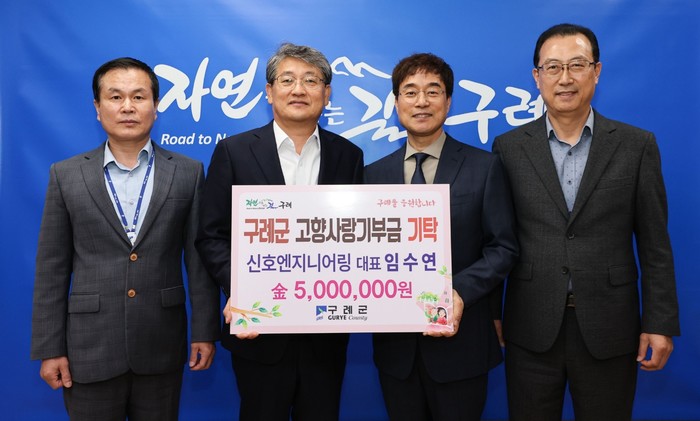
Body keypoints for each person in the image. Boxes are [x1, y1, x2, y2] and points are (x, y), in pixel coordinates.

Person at [492, 23, 681, 420]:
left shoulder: (636, 145)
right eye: (553, 67)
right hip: (530, 326)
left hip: (610, 326)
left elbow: (655, 245)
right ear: (537, 77)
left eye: (577, 65)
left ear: (596, 71)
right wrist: (492, 313)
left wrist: (660, 322)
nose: (565, 78)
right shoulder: (509, 148)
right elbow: (498, 240)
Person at [30, 57, 220, 420]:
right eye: (116, 97)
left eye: (139, 96)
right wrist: (49, 348)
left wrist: (204, 332)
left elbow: (199, 263)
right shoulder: (66, 175)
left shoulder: (188, 172)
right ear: (98, 107)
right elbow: (51, 269)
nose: (128, 107)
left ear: (156, 106)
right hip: (89, 347)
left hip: (161, 343)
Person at [195, 43, 364, 421]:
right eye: (287, 80)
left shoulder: (348, 156)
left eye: (311, 81)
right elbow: (211, 235)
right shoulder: (234, 152)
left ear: (327, 93)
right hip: (259, 332)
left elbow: (356, 241)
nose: (298, 89)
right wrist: (242, 288)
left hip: (326, 334)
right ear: (270, 92)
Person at [364, 53, 519, 421]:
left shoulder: (484, 167)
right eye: (410, 92)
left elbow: (503, 247)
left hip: (462, 347)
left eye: (433, 92)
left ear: (448, 102)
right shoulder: (371, 176)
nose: (421, 102)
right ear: (396, 103)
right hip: (396, 353)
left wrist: (458, 292)